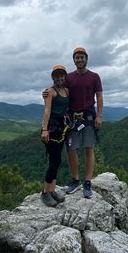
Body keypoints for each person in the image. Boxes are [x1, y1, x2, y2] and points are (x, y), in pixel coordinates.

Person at [63, 47, 103, 198]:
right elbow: (60, 91)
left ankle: (87, 182)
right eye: (76, 57)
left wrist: (99, 116)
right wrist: (47, 93)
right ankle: (75, 180)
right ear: (73, 60)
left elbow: (99, 97)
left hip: (89, 116)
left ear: (86, 59)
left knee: (88, 149)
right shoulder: (68, 78)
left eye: (81, 57)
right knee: (71, 149)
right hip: (72, 118)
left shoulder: (94, 77)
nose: (79, 60)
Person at [40, 65, 69, 207]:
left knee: (57, 160)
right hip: (51, 128)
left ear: (65, 77)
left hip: (61, 129)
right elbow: (47, 110)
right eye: (57, 76)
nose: (59, 78)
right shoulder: (50, 92)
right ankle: (45, 193)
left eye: (61, 75)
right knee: (54, 160)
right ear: (53, 78)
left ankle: (52, 190)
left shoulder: (66, 91)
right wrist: (44, 129)